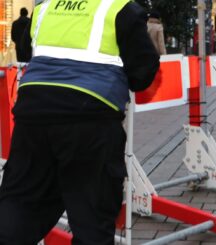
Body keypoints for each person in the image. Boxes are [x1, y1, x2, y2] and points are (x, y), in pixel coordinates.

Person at [0, 0, 160, 244]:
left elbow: (25, 51)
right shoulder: (120, 9)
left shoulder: (45, 8)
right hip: (91, 119)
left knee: (20, 206)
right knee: (92, 217)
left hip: (34, 115)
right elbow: (142, 73)